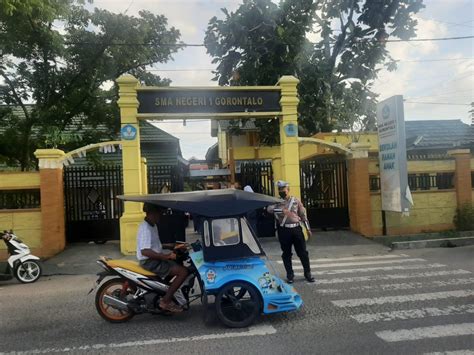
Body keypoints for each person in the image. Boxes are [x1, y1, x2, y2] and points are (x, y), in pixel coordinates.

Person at [137, 203, 189, 313]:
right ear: (152, 213)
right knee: (183, 272)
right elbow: (145, 251)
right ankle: (165, 301)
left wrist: (171, 246)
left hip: (154, 259)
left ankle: (164, 292)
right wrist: (165, 256)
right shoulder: (146, 228)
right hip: (149, 262)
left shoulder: (152, 225)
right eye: (159, 213)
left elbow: (154, 245)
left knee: (175, 263)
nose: (160, 216)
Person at [267, 180, 315, 284]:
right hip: (284, 230)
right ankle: (290, 275)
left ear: (288, 190)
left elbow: (303, 215)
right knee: (286, 253)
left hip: (296, 229)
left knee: (303, 252)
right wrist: (281, 210)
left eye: (283, 189)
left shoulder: (296, 201)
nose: (281, 191)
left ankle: (308, 273)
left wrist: (308, 228)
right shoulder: (276, 201)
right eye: (279, 190)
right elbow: (269, 209)